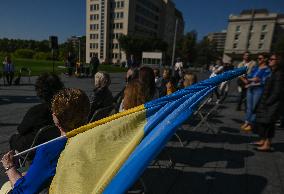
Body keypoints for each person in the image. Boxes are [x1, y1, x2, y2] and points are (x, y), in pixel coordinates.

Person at [1, 88, 90, 194]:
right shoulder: (96, 137)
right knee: (25, 174)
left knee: (6, 187)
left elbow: (22, 192)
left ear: (55, 118)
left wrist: (9, 167)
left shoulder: (49, 151)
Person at [9, 73, 64, 155]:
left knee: (13, 138)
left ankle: (13, 165)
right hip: (57, 142)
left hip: (36, 147)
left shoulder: (37, 111)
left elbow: (21, 130)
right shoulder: (65, 108)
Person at [253, 53, 284, 151]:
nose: (269, 60)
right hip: (268, 102)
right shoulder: (273, 72)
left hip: (273, 104)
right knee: (264, 123)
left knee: (269, 124)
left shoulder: (279, 74)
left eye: (272, 59)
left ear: (278, 61)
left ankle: (267, 144)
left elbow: (277, 91)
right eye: (270, 59)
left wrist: (267, 102)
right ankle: (263, 140)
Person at [241, 53, 271, 132]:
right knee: (249, 107)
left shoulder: (267, 69)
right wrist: (248, 79)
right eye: (258, 58)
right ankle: (247, 122)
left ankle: (251, 124)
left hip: (258, 90)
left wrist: (252, 80)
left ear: (265, 59)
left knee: (254, 108)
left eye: (260, 58)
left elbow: (263, 81)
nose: (258, 60)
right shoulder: (256, 67)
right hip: (250, 88)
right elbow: (251, 76)